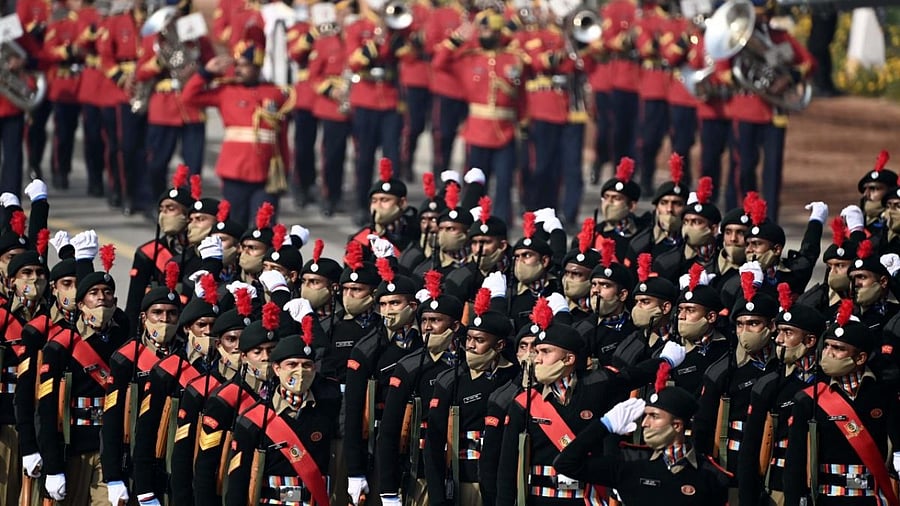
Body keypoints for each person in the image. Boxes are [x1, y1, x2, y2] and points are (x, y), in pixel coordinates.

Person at [181, 25, 295, 228]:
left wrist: (284, 170)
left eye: (245, 65)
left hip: (266, 174)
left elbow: (281, 137)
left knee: (264, 229)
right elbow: (189, 97)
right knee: (233, 227)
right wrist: (206, 73)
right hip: (234, 171)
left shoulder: (275, 94)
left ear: (258, 67)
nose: (239, 69)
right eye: (238, 64)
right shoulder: (226, 91)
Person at [783, 309, 900, 506]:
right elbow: (795, 463)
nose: (828, 354)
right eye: (827, 346)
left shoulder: (883, 395)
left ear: (860, 358)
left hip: (873, 498)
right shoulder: (809, 399)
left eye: (838, 348)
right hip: (828, 498)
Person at [38, 259, 131, 504]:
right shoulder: (61, 346)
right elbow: (46, 410)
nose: (102, 298)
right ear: (81, 304)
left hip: (109, 448)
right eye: (94, 293)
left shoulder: (124, 340)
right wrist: (53, 466)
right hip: (73, 447)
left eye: (108, 292)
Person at [225, 320, 342, 506]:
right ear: (277, 369)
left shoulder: (326, 410)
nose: (300, 372)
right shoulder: (254, 419)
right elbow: (237, 482)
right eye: (292, 365)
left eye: (307, 365)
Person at [554, 383, 731, 505]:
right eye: (645, 415)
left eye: (654, 416)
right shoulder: (629, 461)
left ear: (677, 425)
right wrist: (604, 425)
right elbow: (566, 464)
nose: (645, 423)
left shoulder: (711, 475)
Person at [376, 271, 464, 505]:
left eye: (435, 320)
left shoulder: (467, 364)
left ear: (455, 325)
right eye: (424, 320)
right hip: (420, 472)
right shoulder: (409, 366)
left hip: (464, 471)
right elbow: (389, 430)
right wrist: (388, 489)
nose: (427, 327)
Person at [424, 286, 518, 506]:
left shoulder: (514, 377)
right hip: (463, 479)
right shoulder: (451, 379)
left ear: (500, 344)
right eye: (469, 339)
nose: (471, 346)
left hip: (502, 483)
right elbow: (434, 443)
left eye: (480, 340)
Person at [432, 7, 525, 224]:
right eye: (482, 31)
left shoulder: (513, 58)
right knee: (475, 183)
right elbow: (438, 63)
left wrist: (524, 122)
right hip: (477, 131)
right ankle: (471, 222)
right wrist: (455, 39)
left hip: (505, 131)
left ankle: (501, 224)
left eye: (490, 31)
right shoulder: (469, 58)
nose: (486, 36)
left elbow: (521, 95)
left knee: (504, 183)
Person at [726, 0, 815, 221]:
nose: (761, 19)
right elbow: (721, 70)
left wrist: (790, 77)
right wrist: (744, 80)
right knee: (745, 168)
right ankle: (745, 215)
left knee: (773, 171)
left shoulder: (780, 37)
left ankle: (771, 220)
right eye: (756, 16)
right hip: (746, 110)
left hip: (774, 113)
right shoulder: (735, 40)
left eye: (764, 14)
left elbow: (809, 62)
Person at [737, 288, 825, 506]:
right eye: (779, 332)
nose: (779, 340)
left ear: (811, 340)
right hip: (777, 487)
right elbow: (750, 449)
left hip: (821, 487)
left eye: (788, 333)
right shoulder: (769, 384)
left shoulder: (826, 382)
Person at [344, 260, 422, 505]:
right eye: (384, 304)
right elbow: (354, 413)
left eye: (395, 303)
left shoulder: (425, 343)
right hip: (378, 445)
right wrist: (354, 471)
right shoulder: (368, 349)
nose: (389, 310)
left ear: (413, 305)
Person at [101, 281, 182, 506]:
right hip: (134, 462)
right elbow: (112, 421)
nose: (165, 319)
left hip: (172, 463)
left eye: (172, 313)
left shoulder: (186, 359)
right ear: (144, 318)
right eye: (157, 313)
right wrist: (113, 477)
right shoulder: (126, 358)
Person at [135, 4, 210, 219]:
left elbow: (209, 62)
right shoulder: (154, 39)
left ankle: (189, 209)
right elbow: (141, 73)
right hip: (164, 108)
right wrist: (159, 62)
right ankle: (158, 202)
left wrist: (199, 68)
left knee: (193, 166)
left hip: (192, 108)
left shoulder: (196, 36)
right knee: (157, 162)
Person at [345, 0, 405, 226]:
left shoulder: (395, 28)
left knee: (392, 157)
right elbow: (353, 61)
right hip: (365, 99)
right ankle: (362, 204)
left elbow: (408, 56)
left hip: (389, 99)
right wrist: (374, 44)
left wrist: (396, 37)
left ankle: (394, 206)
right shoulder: (357, 27)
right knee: (364, 158)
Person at [96, 1, 148, 215]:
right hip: (123, 91)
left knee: (145, 148)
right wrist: (121, 78)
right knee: (124, 147)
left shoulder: (155, 20)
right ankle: (123, 191)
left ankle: (143, 195)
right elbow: (105, 56)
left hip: (148, 87)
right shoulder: (117, 20)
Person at [308, 4, 351, 217]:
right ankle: (330, 196)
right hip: (332, 105)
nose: (347, 18)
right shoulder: (325, 41)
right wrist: (331, 91)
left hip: (358, 104)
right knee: (332, 154)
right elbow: (314, 75)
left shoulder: (361, 40)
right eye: (343, 14)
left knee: (360, 155)